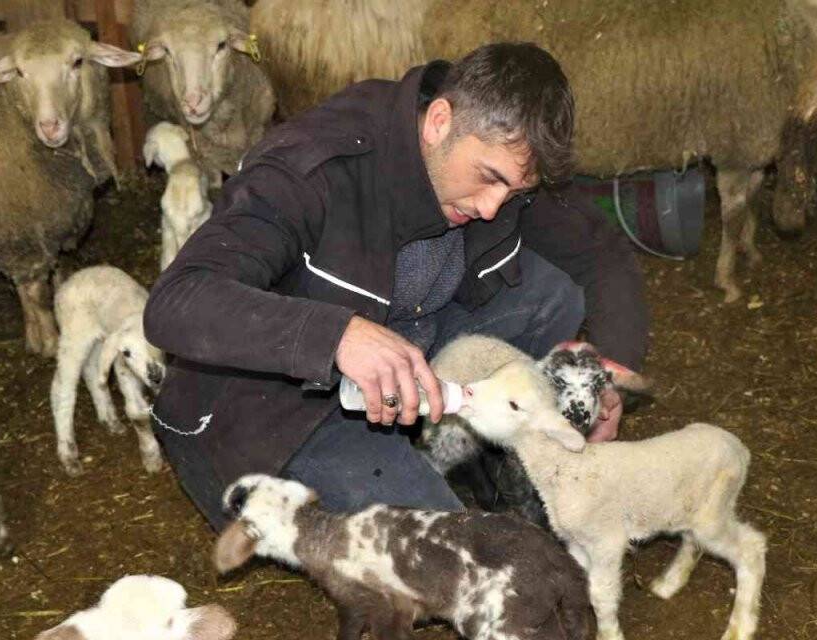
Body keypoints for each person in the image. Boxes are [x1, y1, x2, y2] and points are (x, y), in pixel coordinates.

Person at [144, 42, 649, 530]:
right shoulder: (314, 169)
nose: (494, 206)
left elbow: (600, 253)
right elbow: (176, 300)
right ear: (439, 122)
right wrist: (338, 336)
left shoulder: (498, 155)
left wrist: (609, 370)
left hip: (404, 353)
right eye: (488, 178)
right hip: (282, 405)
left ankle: (488, 462)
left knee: (552, 292)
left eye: (514, 191)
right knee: (453, 556)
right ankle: (411, 478)